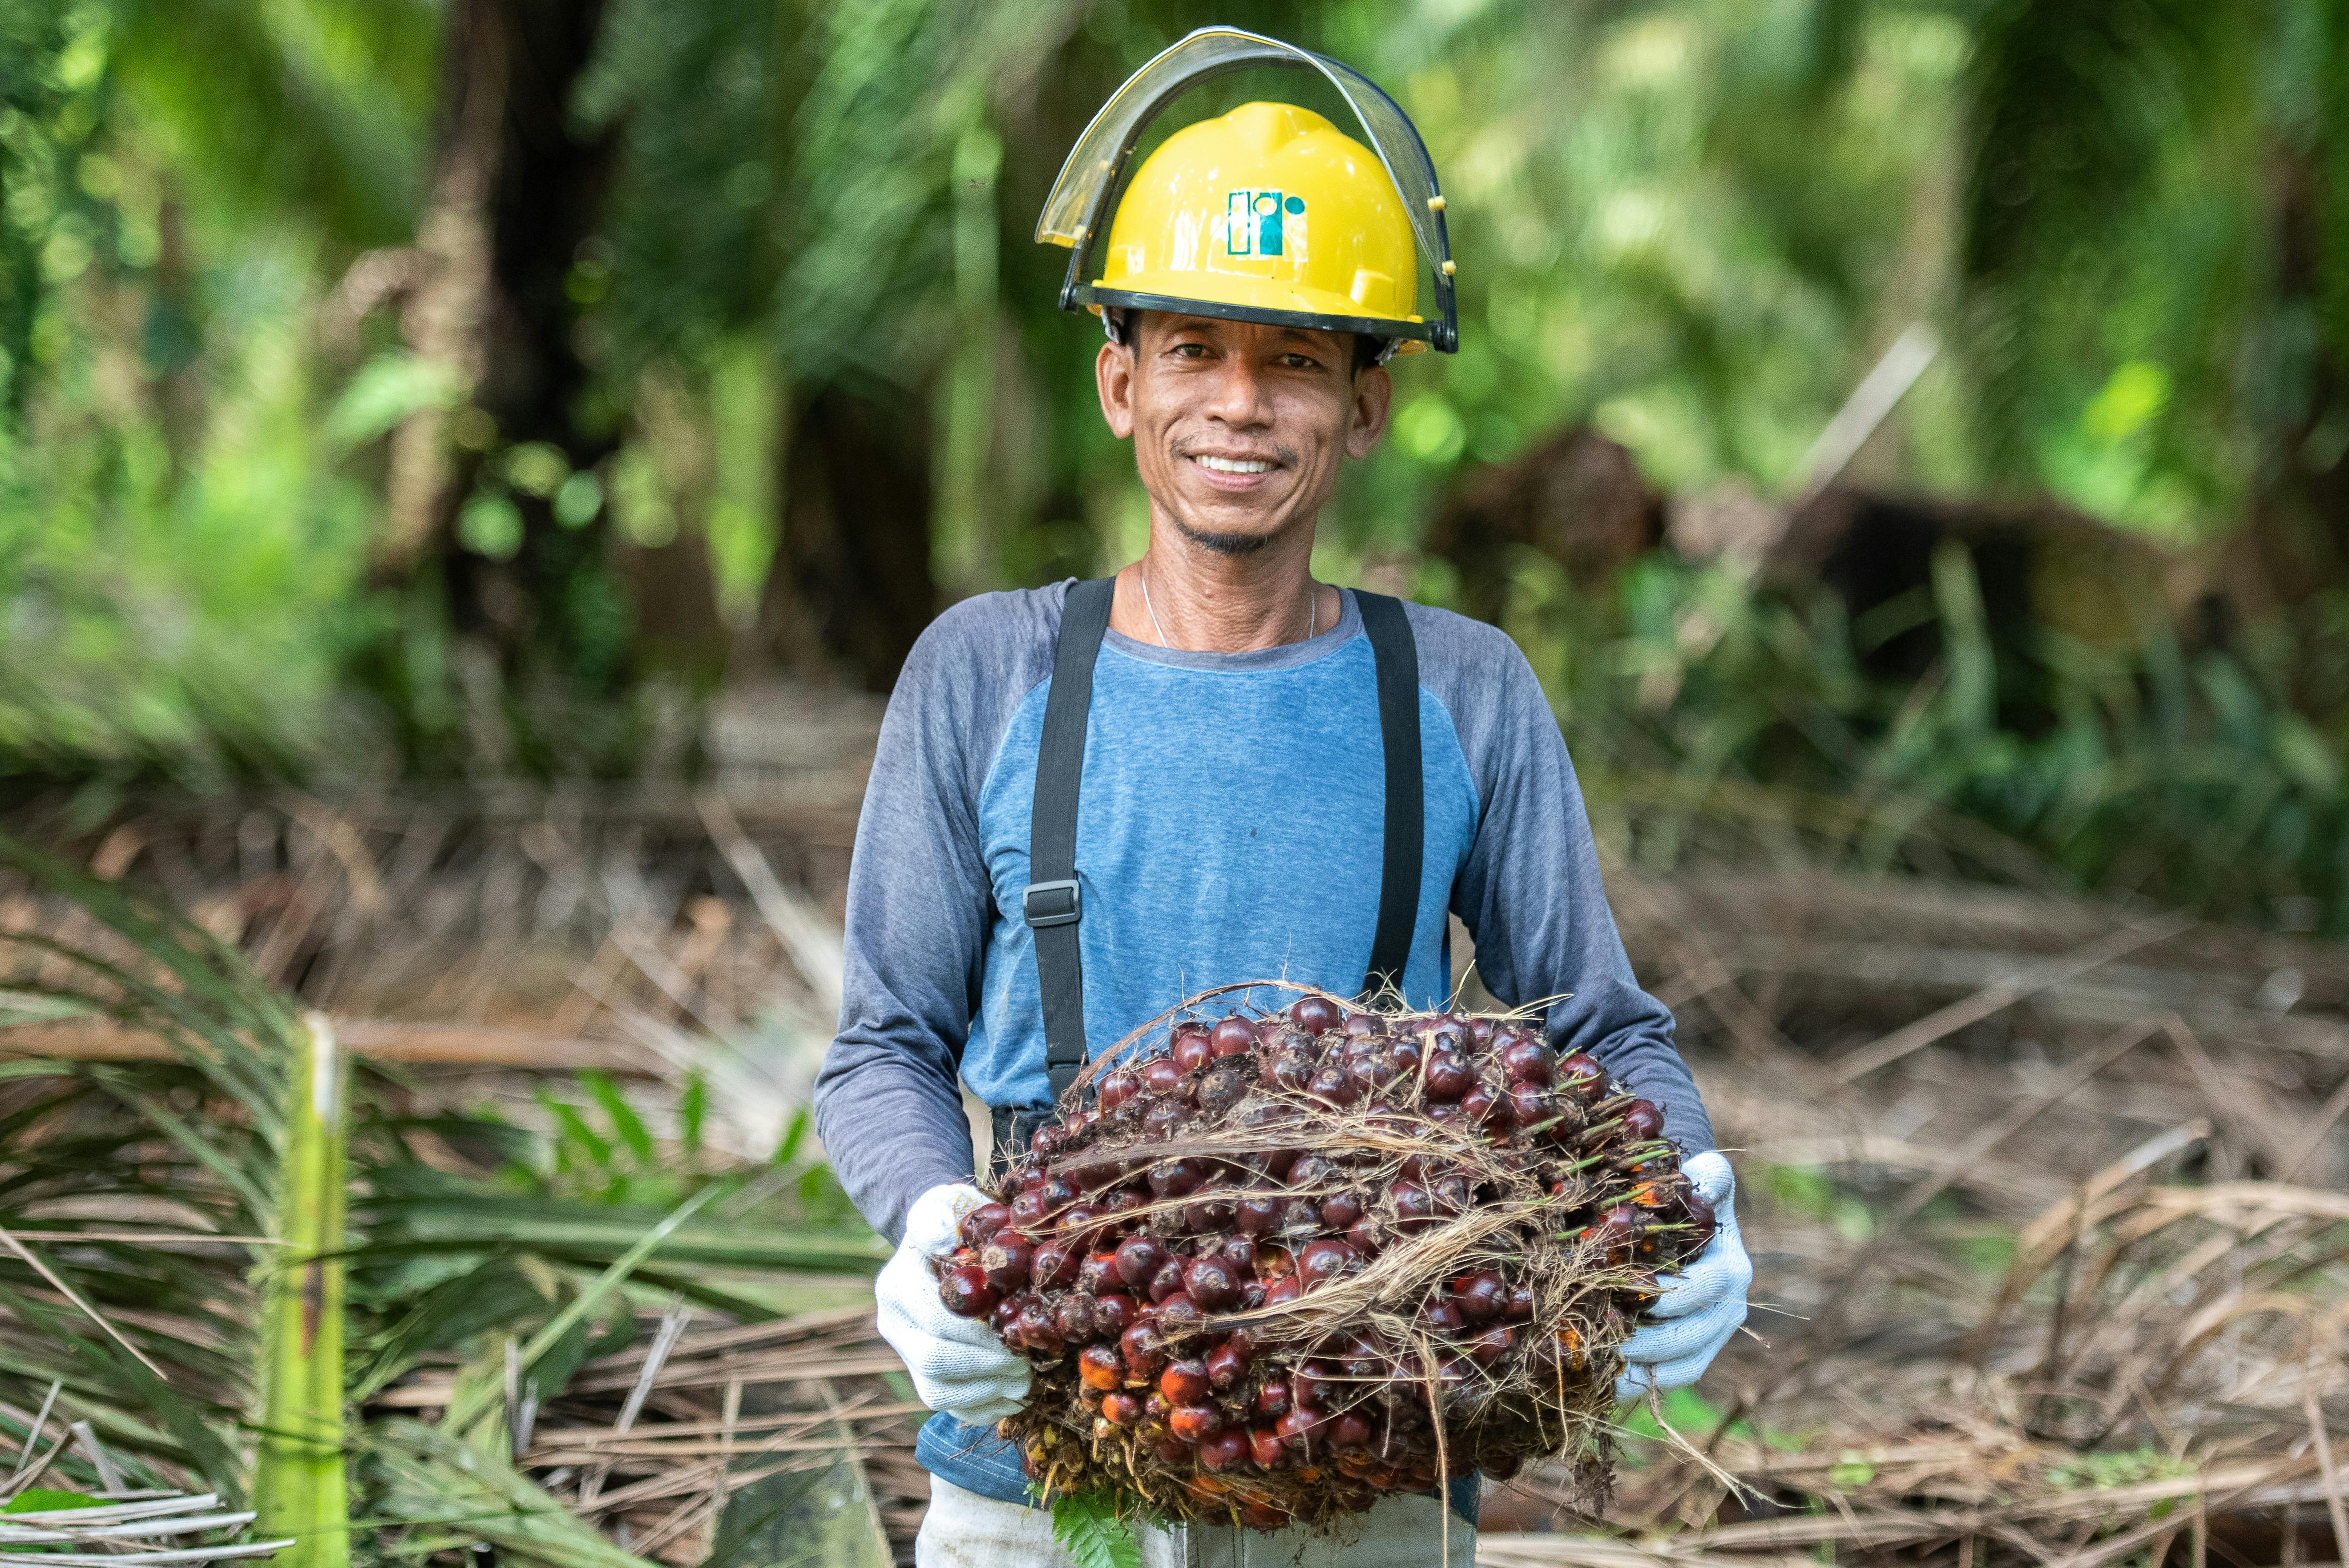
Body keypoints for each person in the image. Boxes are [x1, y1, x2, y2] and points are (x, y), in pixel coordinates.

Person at [813, 27, 1752, 1568]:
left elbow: (1601, 1027)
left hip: (1371, 1465)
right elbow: (882, 1047)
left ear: (1366, 406)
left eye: (1296, 360)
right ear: (1121, 383)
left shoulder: (1463, 689)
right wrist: (932, 1222)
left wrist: (1688, 1192)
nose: (1238, 405)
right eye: (1193, 350)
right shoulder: (983, 671)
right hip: (1044, 1463)